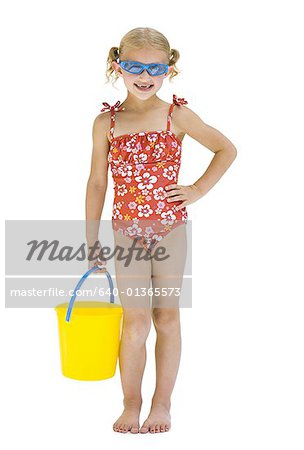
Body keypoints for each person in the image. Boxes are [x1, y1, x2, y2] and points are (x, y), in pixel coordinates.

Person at [85, 27, 237, 434]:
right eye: (135, 66)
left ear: (169, 69)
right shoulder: (107, 122)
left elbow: (227, 149)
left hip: (170, 229)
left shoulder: (178, 115)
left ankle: (162, 404)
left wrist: (197, 189)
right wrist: (90, 239)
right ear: (118, 66)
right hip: (126, 233)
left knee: (166, 316)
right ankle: (130, 403)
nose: (145, 75)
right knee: (134, 321)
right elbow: (97, 182)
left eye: (155, 67)